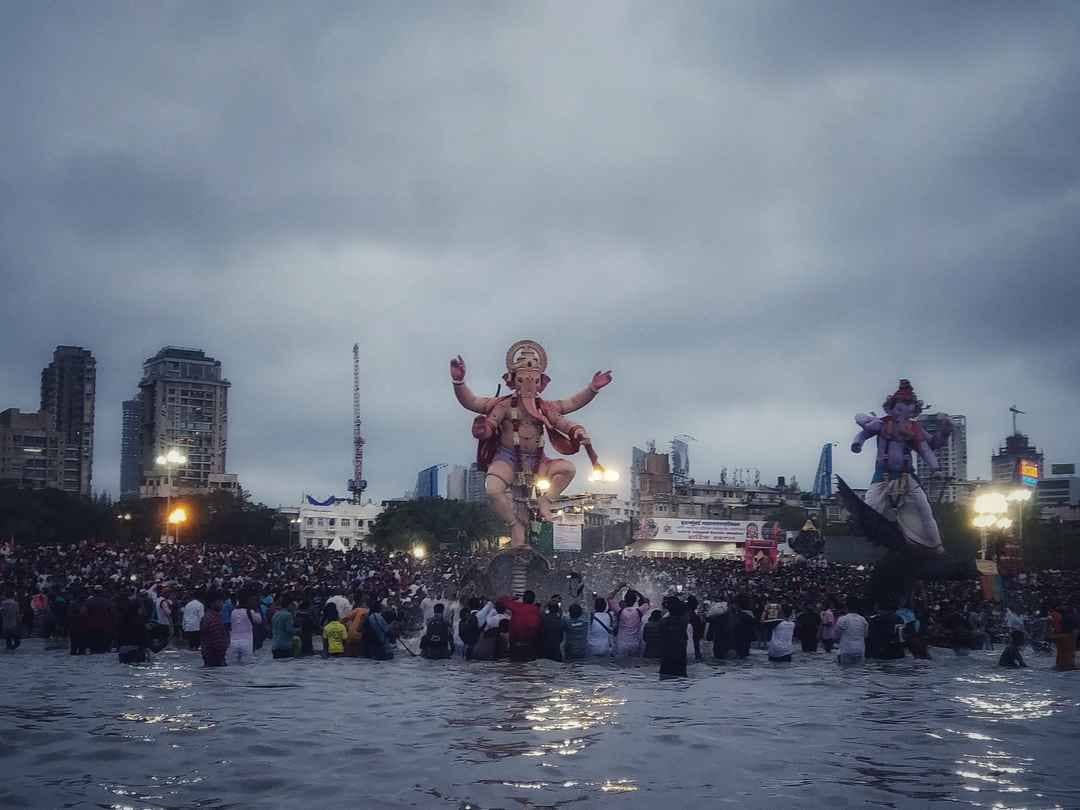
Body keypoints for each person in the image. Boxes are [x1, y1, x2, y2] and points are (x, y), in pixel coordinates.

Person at [498, 590, 541, 662]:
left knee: (515, 668)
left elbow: (501, 600)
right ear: (533, 600)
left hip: (515, 644)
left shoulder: (517, 606)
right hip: (530, 645)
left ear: (524, 599)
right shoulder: (537, 610)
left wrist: (513, 598)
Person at [659, 597, 689, 679]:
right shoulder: (684, 621)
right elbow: (686, 608)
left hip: (666, 658)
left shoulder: (663, 622)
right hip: (680, 658)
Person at [227, 594, 262, 665]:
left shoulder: (233, 612)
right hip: (247, 642)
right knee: (247, 666)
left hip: (233, 642)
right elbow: (259, 620)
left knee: (233, 665)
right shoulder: (250, 611)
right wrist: (257, 610)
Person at [614, 589, 650, 657]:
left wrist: (619, 587)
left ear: (625, 600)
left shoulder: (620, 611)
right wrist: (637, 592)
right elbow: (646, 602)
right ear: (635, 600)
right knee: (633, 665)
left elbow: (609, 598)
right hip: (635, 644)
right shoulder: (639, 611)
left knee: (620, 665)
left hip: (621, 644)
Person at [836, 599, 868, 666]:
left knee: (846, 672)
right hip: (860, 650)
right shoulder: (863, 620)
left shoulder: (842, 619)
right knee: (858, 672)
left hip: (846, 650)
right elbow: (865, 635)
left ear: (846, 607)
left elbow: (836, 635)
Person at [116, 599, 149, 664]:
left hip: (122, 651)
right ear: (137, 609)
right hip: (135, 651)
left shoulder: (122, 620)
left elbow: (117, 637)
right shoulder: (139, 622)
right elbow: (144, 640)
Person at [200, 593, 228, 668]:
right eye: (220, 602)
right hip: (214, 654)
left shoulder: (211, 616)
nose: (222, 604)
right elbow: (215, 638)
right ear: (213, 603)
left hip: (212, 654)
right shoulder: (211, 618)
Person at [733, 594, 757, 659]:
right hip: (746, 637)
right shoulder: (749, 614)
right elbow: (754, 623)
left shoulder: (736, 615)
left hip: (739, 638)